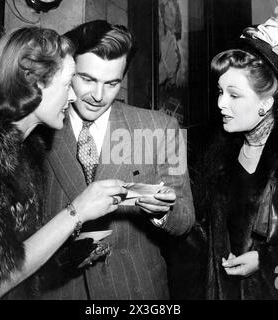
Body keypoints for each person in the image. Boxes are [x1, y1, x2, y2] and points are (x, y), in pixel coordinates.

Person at [0, 27, 127, 299]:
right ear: (34, 83)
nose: (74, 96)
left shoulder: (28, 147)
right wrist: (76, 212)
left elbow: (18, 254)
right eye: (67, 84)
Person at [41, 20, 195, 300]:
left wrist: (161, 213)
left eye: (111, 83)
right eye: (87, 79)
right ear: (67, 71)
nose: (98, 96)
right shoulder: (39, 132)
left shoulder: (161, 128)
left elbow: (185, 219)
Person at [204, 17, 278, 299]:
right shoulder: (217, 154)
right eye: (221, 92)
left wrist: (267, 261)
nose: (221, 103)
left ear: (266, 103)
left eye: (234, 95)